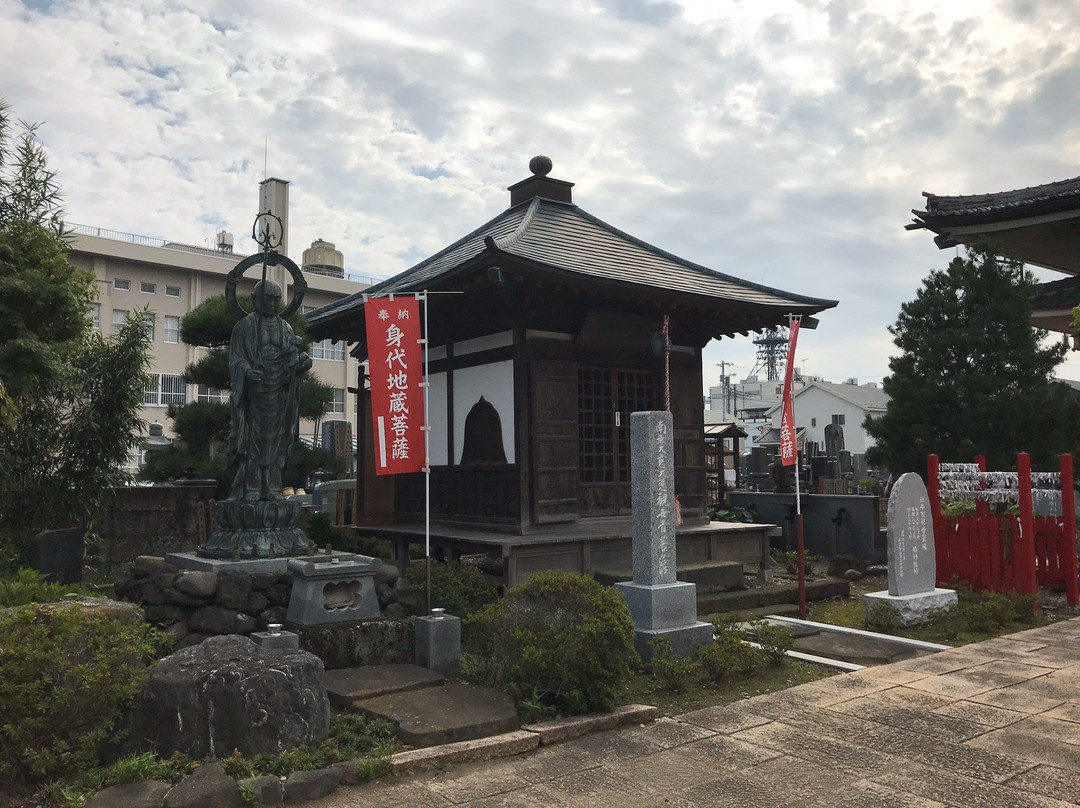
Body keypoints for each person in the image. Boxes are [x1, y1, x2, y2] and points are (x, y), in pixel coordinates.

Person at [227, 279, 311, 501]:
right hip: (254, 391)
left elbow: (291, 359)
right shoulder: (244, 326)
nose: (272, 304)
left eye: (276, 299)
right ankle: (252, 487)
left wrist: (300, 365)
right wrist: (246, 371)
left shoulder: (286, 327)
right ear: (254, 300)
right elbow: (236, 358)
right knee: (253, 438)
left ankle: (273, 487)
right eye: (267, 299)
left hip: (278, 390)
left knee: (275, 439)